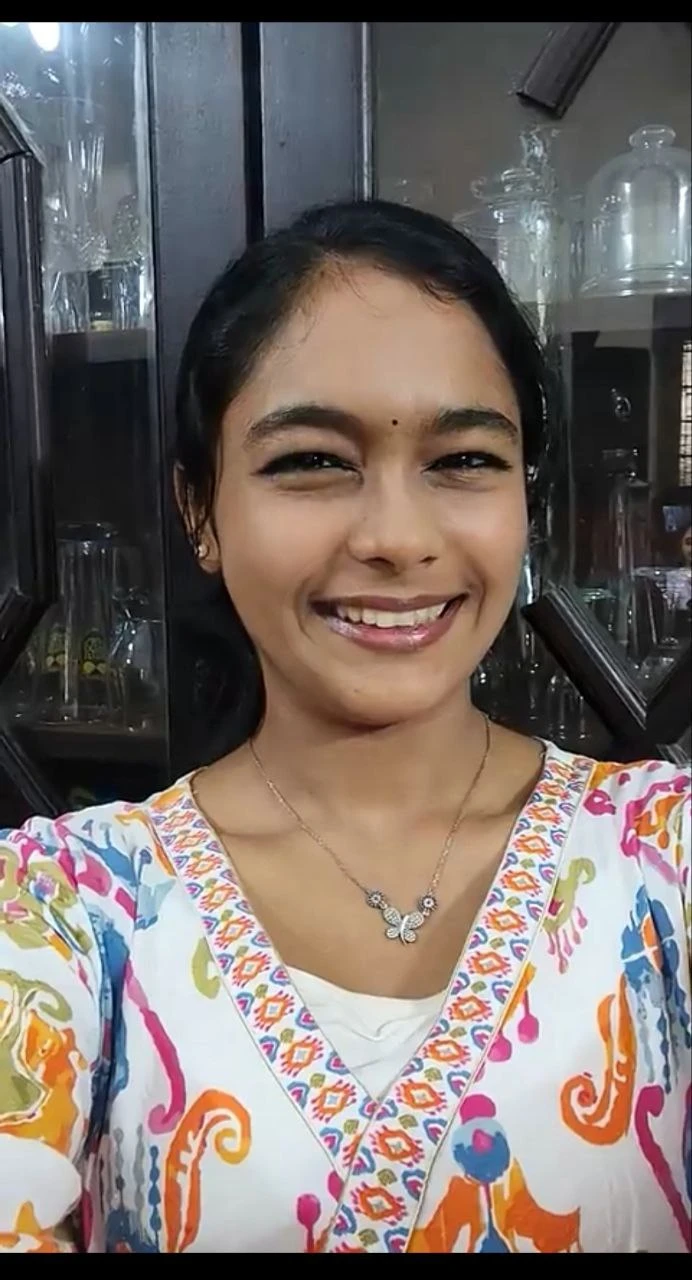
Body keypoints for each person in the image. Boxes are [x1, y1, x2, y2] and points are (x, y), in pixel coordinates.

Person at [0, 200, 690, 1255]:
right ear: (199, 510)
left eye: (464, 460)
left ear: (526, 498)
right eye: (311, 461)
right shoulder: (62, 913)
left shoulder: (666, 863)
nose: (397, 538)